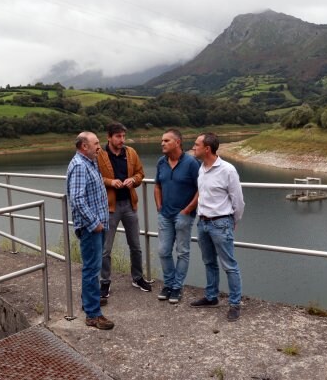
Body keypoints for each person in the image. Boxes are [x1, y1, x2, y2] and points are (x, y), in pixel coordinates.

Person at [189, 132, 245, 322]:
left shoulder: (228, 170)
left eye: (196, 144)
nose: (193, 147)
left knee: (229, 265)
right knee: (209, 262)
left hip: (221, 223)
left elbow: (238, 201)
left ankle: (235, 303)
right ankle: (211, 297)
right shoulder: (201, 168)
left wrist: (233, 221)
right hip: (203, 222)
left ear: (207, 148)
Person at [97, 123, 152, 297]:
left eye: (123, 136)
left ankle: (137, 277)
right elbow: (95, 176)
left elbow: (140, 173)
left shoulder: (131, 153)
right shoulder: (99, 154)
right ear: (109, 137)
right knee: (106, 249)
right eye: (118, 136)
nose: (122, 140)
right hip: (109, 207)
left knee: (135, 246)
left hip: (129, 204)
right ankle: (105, 282)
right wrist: (110, 182)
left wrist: (133, 180)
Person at [66, 131, 114, 330]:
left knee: (93, 267)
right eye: (96, 143)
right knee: (92, 269)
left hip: (97, 225)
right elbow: (77, 199)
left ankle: (90, 301)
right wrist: (95, 223)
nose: (99, 146)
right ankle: (93, 315)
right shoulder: (79, 166)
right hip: (91, 227)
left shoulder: (90, 162)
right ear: (84, 146)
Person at [154, 129, 199, 304]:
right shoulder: (161, 162)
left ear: (178, 142)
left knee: (182, 252)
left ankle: (177, 287)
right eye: (161, 141)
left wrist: (187, 210)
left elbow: (200, 189)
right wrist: (159, 206)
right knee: (163, 251)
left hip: (184, 216)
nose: (162, 143)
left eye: (166, 140)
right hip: (165, 215)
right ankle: (169, 283)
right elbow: (157, 186)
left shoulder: (191, 163)